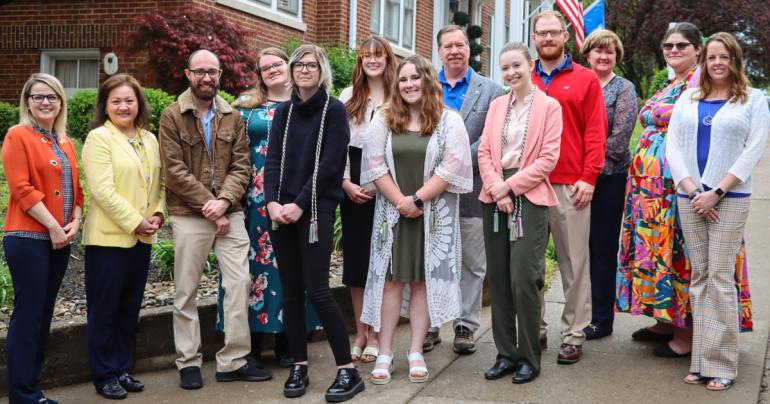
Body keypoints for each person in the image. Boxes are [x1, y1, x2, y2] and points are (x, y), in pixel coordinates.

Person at [616, 23, 753, 358]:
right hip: (649, 193)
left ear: (698, 50)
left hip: (677, 186)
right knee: (657, 254)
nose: (673, 51)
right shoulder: (670, 82)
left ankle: (686, 333)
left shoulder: (699, 82)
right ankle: (664, 320)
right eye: (668, 45)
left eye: (681, 45)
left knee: (682, 256)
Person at [159, 49, 272, 389]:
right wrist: (210, 205)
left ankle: (233, 360)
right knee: (186, 291)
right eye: (200, 71)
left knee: (238, 284)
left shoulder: (232, 116)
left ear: (220, 74)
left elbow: (242, 166)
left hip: (229, 212)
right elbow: (174, 170)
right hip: (189, 214)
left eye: (212, 71)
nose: (206, 77)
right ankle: (188, 361)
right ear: (188, 74)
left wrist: (223, 202)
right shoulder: (172, 116)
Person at [666, 32, 769, 391]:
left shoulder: (753, 100)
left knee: (721, 280)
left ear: (735, 59)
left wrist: (718, 191)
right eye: (711, 57)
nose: (718, 62)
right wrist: (694, 190)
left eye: (724, 56)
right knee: (700, 277)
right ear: (704, 62)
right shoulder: (689, 98)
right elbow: (673, 148)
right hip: (691, 198)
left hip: (731, 198)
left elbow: (753, 150)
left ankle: (722, 363)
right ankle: (700, 360)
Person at [361, 55, 473, 384]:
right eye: (404, 79)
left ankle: (415, 351)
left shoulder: (448, 120)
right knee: (391, 281)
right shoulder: (384, 119)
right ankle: (384, 351)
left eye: (415, 78)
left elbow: (452, 166)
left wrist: (418, 199)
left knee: (423, 281)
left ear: (427, 81)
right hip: (393, 215)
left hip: (431, 214)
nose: (409, 84)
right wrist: (400, 201)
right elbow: (375, 164)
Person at [264, 44, 364, 402]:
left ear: (322, 71)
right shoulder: (284, 113)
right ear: (291, 71)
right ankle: (299, 365)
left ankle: (347, 371)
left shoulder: (333, 111)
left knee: (317, 290)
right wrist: (273, 201)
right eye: (299, 64)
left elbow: (330, 165)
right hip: (282, 212)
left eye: (311, 65)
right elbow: (272, 159)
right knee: (290, 291)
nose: (304, 70)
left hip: (315, 213)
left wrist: (299, 205)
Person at [218, 47, 321, 369]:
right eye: (265, 68)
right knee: (250, 270)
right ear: (260, 76)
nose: (273, 70)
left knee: (291, 269)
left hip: (294, 198)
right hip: (255, 201)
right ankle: (248, 343)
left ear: (289, 66)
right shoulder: (246, 109)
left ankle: (288, 342)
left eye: (278, 63)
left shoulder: (308, 104)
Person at [478, 42, 562, 384]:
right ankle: (505, 354)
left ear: (531, 65)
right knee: (498, 279)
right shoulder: (497, 105)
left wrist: (511, 188)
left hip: (529, 195)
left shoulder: (549, 106)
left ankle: (529, 356)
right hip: (494, 192)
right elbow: (484, 150)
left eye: (517, 66)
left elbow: (548, 159)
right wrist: (497, 187)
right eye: (505, 68)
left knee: (524, 279)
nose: (511, 73)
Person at [81, 74, 165, 399]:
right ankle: (103, 375)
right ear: (105, 105)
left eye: (129, 100)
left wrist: (157, 214)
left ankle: (121, 368)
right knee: (105, 310)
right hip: (108, 240)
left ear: (138, 104)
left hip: (141, 239)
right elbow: (102, 190)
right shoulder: (99, 139)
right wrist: (136, 222)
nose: (123, 106)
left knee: (129, 308)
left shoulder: (149, 138)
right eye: (116, 101)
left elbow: (157, 183)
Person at [2, 73, 84, 404]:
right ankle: (22, 394)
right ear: (27, 103)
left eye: (52, 97)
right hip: (28, 237)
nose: (46, 102)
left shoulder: (65, 142)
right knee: (29, 315)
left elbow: (78, 190)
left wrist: (76, 221)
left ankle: (33, 390)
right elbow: (21, 189)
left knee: (44, 314)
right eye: (38, 97)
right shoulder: (17, 136)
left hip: (60, 238)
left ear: (61, 102)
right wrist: (53, 225)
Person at [530, 10, 607, 364]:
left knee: (574, 264)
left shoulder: (585, 79)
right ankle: (536, 329)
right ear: (534, 38)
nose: (547, 38)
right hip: (528, 185)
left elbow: (595, 131)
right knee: (528, 266)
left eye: (553, 33)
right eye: (541, 33)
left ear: (565, 37)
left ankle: (574, 333)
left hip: (570, 185)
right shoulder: (523, 77)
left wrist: (589, 177)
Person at [426, 24, 501, 355]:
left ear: (469, 49)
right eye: (448, 46)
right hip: (431, 191)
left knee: (472, 262)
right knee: (431, 260)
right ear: (440, 51)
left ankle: (465, 326)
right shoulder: (426, 85)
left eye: (460, 45)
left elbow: (491, 138)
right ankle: (428, 324)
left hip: (473, 189)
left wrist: (454, 161)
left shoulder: (491, 91)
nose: (455, 50)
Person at [338, 35, 396, 363]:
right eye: (366, 56)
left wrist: (384, 185)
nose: (372, 61)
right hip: (353, 184)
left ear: (387, 60)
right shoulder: (348, 97)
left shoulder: (398, 95)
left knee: (382, 263)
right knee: (358, 263)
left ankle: (377, 333)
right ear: (360, 62)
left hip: (386, 185)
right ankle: (360, 332)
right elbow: (340, 146)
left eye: (378, 55)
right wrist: (345, 183)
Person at [578, 29, 638, 340]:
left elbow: (617, 141)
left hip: (608, 179)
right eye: (598, 51)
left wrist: (587, 172)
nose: (604, 56)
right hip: (575, 180)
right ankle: (580, 313)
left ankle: (602, 319)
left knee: (601, 249)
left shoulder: (623, 89)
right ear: (587, 54)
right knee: (577, 251)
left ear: (616, 56)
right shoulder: (579, 83)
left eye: (610, 51)